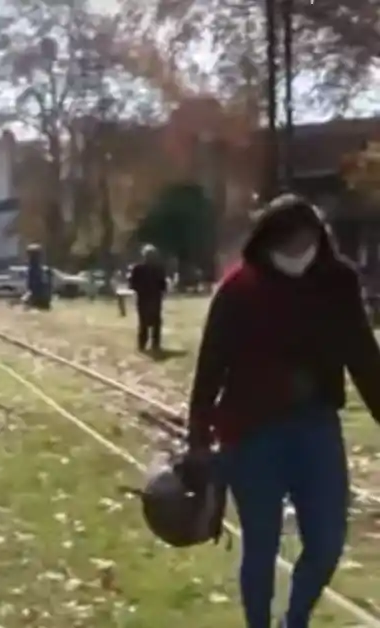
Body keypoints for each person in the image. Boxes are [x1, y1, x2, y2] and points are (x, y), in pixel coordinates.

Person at [184, 193, 380, 628]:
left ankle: (296, 618)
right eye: (289, 243)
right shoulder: (239, 290)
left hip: (317, 429)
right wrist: (198, 438)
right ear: (269, 240)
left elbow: (364, 357)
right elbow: (211, 367)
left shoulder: (337, 284)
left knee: (328, 541)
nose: (299, 252)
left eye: (307, 241)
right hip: (253, 434)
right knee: (261, 545)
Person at [128, 244, 168, 351]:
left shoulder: (157, 269)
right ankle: (146, 345)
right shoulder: (139, 269)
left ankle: (152, 345)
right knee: (146, 323)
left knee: (152, 323)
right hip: (147, 299)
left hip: (152, 299)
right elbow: (133, 284)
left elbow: (163, 285)